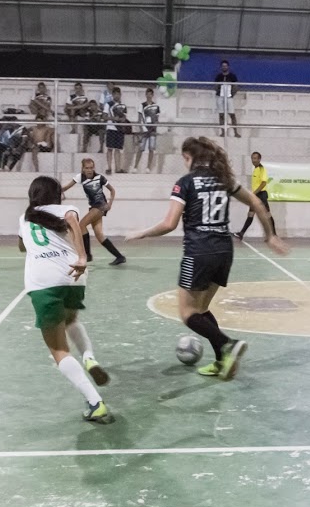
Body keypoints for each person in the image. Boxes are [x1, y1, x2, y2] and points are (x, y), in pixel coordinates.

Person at [126, 137, 288, 380]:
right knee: (201, 309)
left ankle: (228, 344)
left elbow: (169, 224)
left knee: (187, 313)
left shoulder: (185, 183)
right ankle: (223, 360)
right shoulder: (224, 180)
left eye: (184, 158)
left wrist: (143, 233)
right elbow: (256, 201)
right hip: (224, 250)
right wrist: (270, 236)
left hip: (199, 250)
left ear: (189, 157)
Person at [18, 175, 113, 424]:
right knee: (71, 320)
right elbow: (73, 222)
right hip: (73, 277)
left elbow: (21, 247)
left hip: (44, 282)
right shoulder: (65, 208)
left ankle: (95, 403)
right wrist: (81, 257)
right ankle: (89, 357)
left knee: (59, 350)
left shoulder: (25, 217)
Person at [61, 158, 127, 266]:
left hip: (100, 207)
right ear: (83, 169)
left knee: (81, 225)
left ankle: (88, 255)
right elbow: (66, 187)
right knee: (99, 235)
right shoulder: (80, 177)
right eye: (87, 168)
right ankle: (120, 257)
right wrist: (55, 189)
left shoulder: (100, 178)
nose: (89, 170)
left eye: (91, 168)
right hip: (93, 207)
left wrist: (109, 204)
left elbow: (112, 190)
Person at [233, 151, 277, 241]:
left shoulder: (262, 169)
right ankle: (241, 234)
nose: (253, 160)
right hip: (256, 195)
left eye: (255, 158)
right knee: (250, 214)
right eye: (252, 158)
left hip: (261, 195)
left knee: (267, 215)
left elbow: (263, 183)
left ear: (259, 159)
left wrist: (254, 193)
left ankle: (274, 235)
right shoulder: (255, 169)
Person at [132, 88, 160, 173]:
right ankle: (135, 167)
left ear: (152, 95)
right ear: (146, 95)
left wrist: (154, 126)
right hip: (144, 129)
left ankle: (148, 167)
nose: (149, 96)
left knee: (151, 148)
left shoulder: (156, 106)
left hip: (152, 130)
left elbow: (157, 118)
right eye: (147, 94)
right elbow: (139, 118)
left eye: (150, 94)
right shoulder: (142, 105)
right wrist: (141, 128)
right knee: (141, 148)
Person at [214, 60, 240, 137]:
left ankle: (235, 132)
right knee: (221, 114)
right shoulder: (218, 76)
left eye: (225, 66)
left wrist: (232, 94)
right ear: (221, 67)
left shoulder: (232, 76)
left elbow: (236, 86)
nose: (224, 67)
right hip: (220, 97)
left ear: (228, 67)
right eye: (223, 66)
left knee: (232, 114)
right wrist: (218, 92)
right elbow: (215, 86)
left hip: (229, 97)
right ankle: (223, 132)